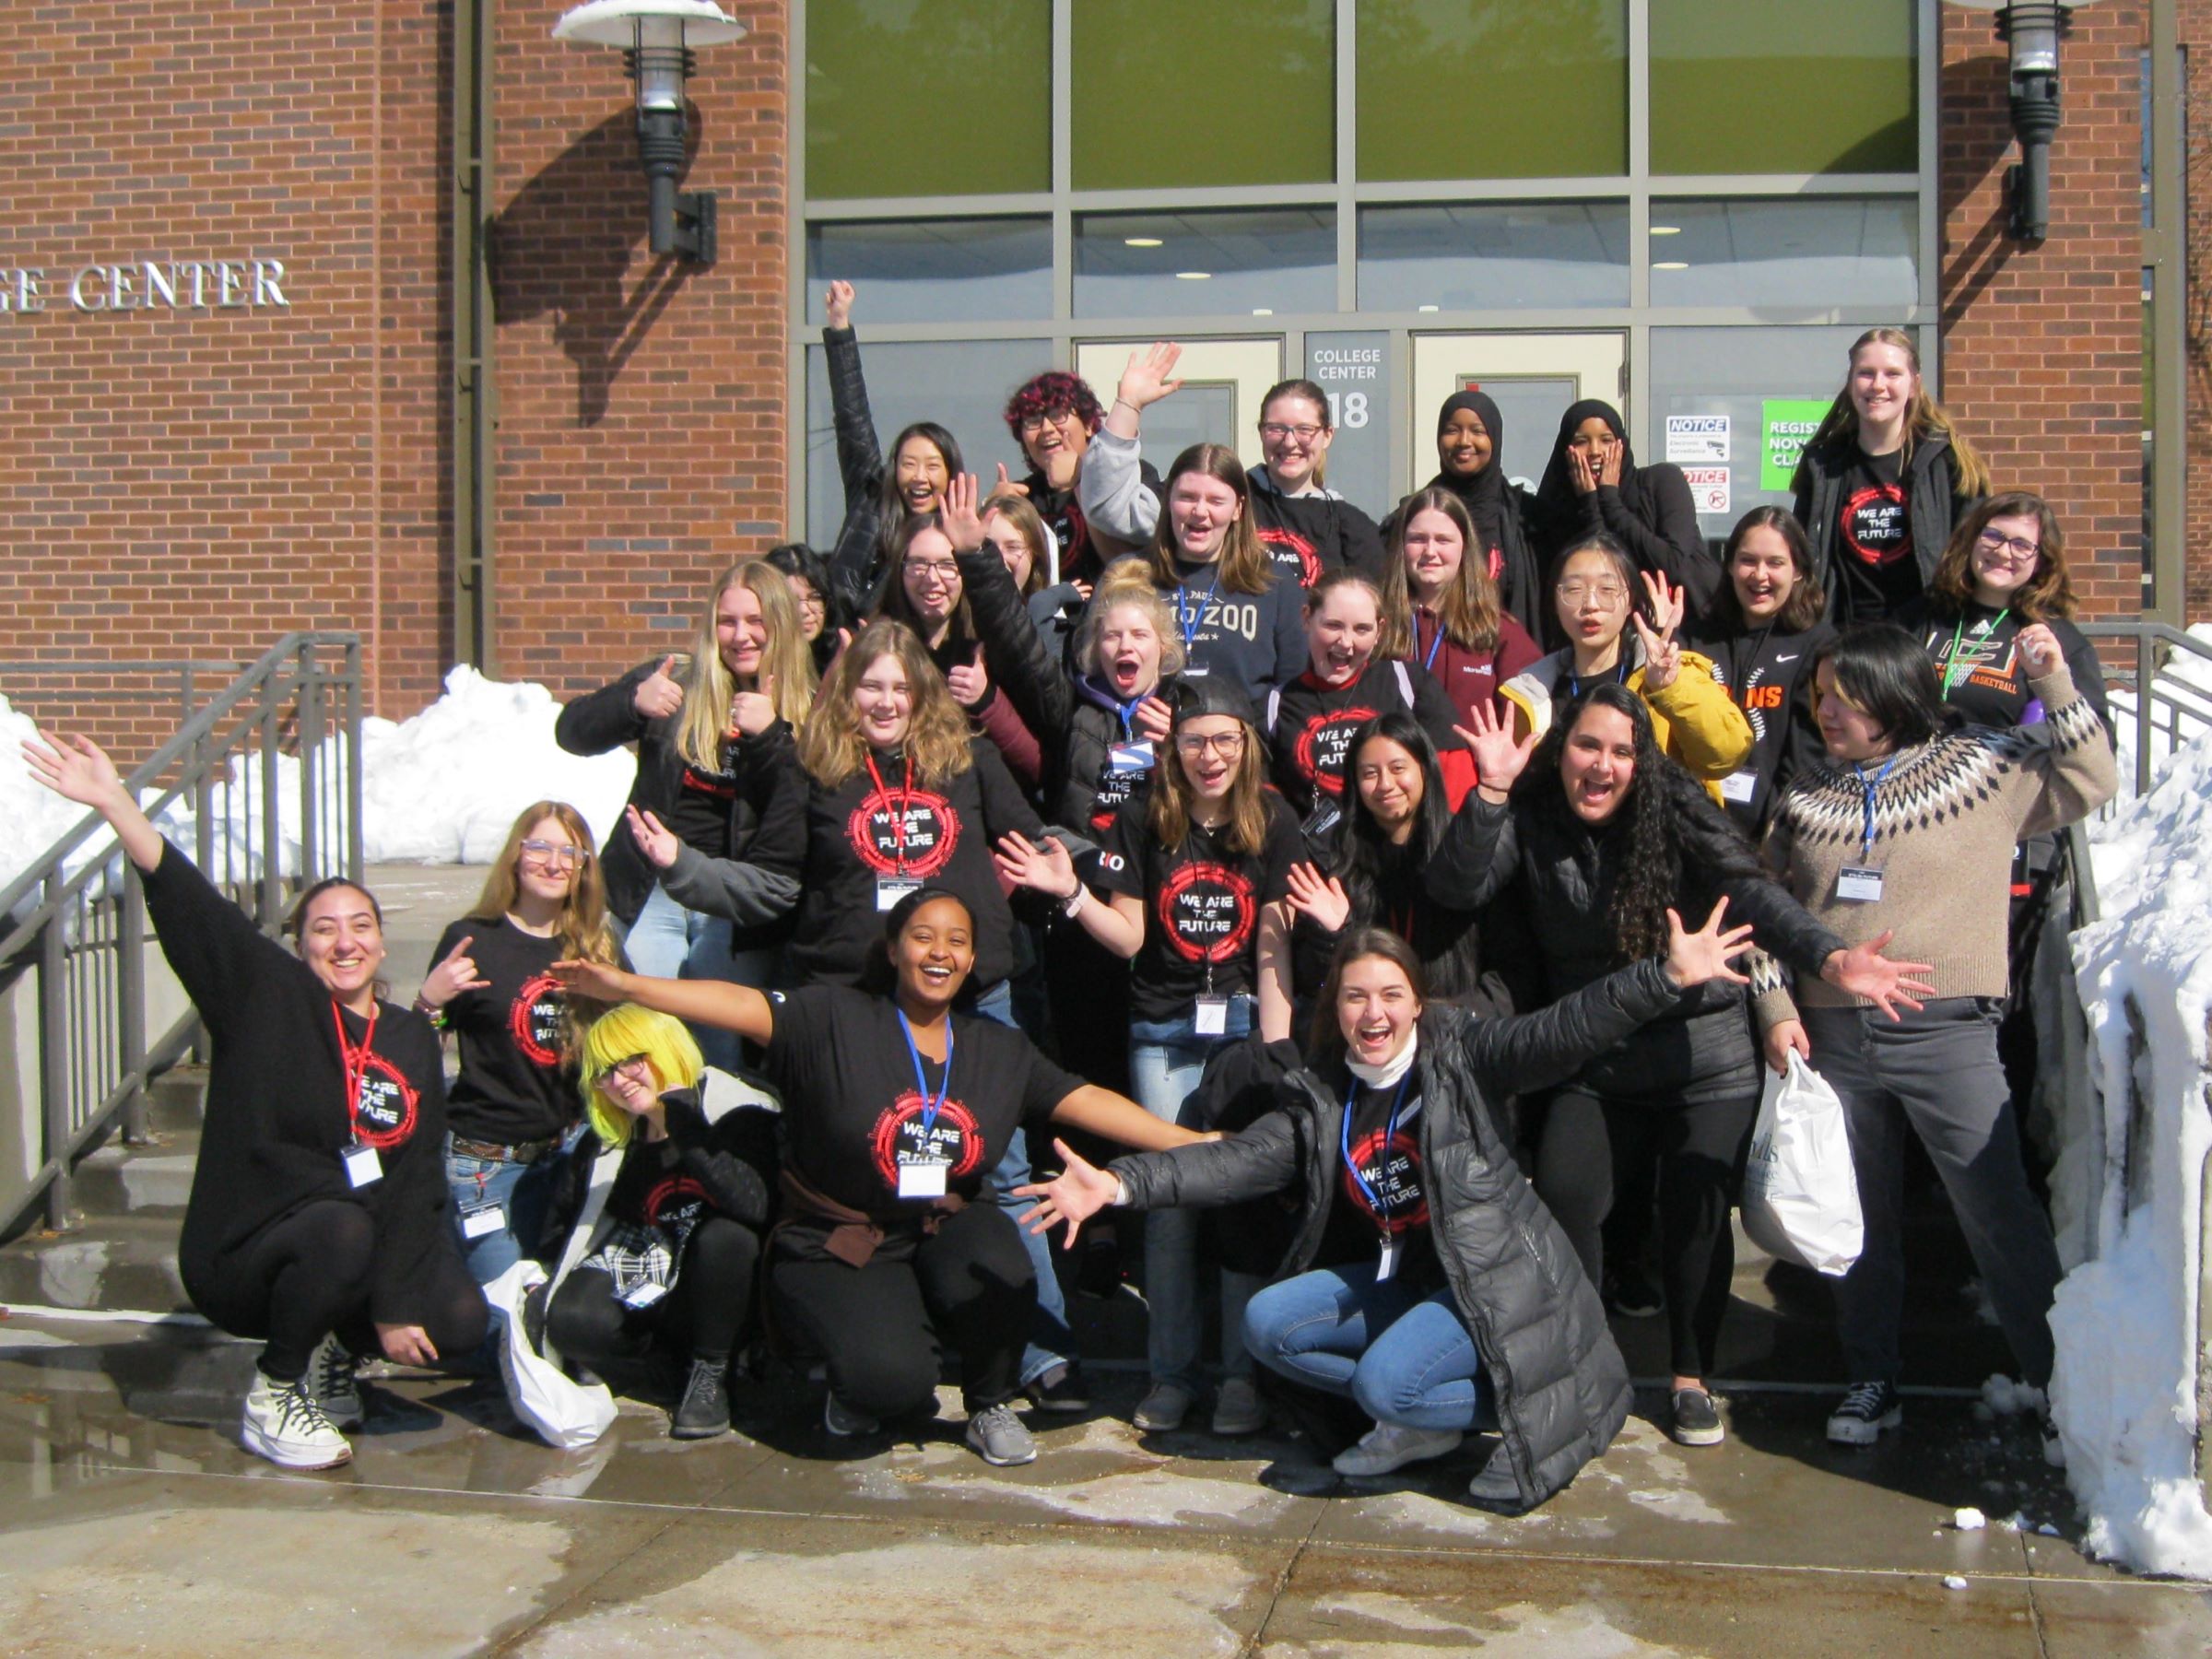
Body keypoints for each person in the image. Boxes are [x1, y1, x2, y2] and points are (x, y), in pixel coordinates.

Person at [1016, 921, 1760, 1512]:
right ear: (1334, 1008)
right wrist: (1115, 1187)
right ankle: (1419, 1419)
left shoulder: (1465, 1056)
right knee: (1269, 1322)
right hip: (1403, 1281)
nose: (1374, 1013)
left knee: (1383, 1385)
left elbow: (1561, 1031)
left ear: (1417, 1002)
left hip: (1486, 1285)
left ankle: (1438, 1411)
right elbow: (1229, 1161)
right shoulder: (1323, 1094)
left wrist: (1660, 978)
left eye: (1391, 994)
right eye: (1354, 996)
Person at [1430, 686, 1934, 1446]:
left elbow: (1755, 894)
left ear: (1644, 761)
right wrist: (1493, 791)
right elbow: (1456, 888)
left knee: (1695, 1219)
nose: (1602, 765)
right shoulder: (1531, 817)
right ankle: (1586, 1361)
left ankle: (1693, 1376)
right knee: (1568, 1194)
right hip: (1593, 1049)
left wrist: (1828, 957)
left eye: (1622, 751)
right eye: (1587, 746)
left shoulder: (1677, 816)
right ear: (1560, 749)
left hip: (1704, 1054)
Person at [551, 889, 1205, 1465]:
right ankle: (857, 1366)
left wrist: (1191, 1142)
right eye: (922, 937)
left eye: (956, 941)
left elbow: (1088, 1101)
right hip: (838, 1236)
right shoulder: (830, 1018)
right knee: (890, 1388)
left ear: (973, 961)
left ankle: (988, 1402)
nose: (939, 952)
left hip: (941, 1222)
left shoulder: (997, 1048)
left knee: (1002, 1262)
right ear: (892, 951)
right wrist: (629, 987)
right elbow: (735, 1002)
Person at [25, 731, 487, 1471]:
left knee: (458, 1320)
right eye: (324, 929)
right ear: (299, 945)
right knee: (341, 1232)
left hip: (353, 1241)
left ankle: (332, 1347)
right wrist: (118, 805)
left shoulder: (409, 1038)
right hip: (249, 1251)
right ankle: (275, 1392)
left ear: (380, 942)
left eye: (360, 927)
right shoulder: (267, 999)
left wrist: (397, 1301)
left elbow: (412, 1180)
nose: (345, 943)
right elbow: (195, 910)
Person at [1761, 625, 2114, 1446]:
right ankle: (1870, 1379)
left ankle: (2061, 1385)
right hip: (1832, 1038)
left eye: (1842, 695)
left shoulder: (1986, 768)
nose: (1826, 709)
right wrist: (1777, 1012)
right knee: (1858, 1220)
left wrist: (2054, 680)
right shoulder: (1806, 797)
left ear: (1891, 694)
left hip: (1944, 1031)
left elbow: (2093, 776)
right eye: (1819, 695)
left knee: (1997, 1210)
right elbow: (1764, 915)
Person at [995, 677, 1300, 1437]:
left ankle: (1239, 1380)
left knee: (1235, 1203)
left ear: (1246, 746)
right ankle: (1171, 1376)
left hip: (1238, 1030)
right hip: (1162, 1031)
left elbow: (1271, 948)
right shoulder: (1144, 818)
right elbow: (1131, 938)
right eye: (1196, 741)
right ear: (1174, 749)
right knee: (1165, 1206)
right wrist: (1070, 897)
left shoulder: (1274, 819)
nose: (1211, 756)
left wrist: (1278, 1045)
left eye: (1226, 740)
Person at [551, 558, 815, 1067]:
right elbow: (571, 733)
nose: (742, 635)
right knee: (644, 1039)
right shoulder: (675, 681)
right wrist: (631, 703)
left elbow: (808, 803)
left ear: (780, 624)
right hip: (652, 892)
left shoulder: (808, 704)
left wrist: (777, 735)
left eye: (756, 621)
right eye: (728, 620)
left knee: (720, 1049)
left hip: (734, 906)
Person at [535, 1005, 778, 1440]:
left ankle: (712, 1372)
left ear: (666, 1048)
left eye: (632, 1060)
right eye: (604, 1072)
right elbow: (565, 1225)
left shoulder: (740, 1108)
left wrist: (684, 1124)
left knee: (728, 1237)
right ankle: (664, 1371)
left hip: (725, 1282)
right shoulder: (610, 1139)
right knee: (568, 1317)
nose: (620, 1080)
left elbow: (752, 1206)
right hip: (648, 1264)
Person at [416, 800, 622, 1286]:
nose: (554, 864)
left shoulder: (596, 946)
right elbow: (417, 1056)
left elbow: (629, 1037)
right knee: (500, 1316)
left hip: (567, 1156)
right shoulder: (472, 939)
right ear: (516, 854)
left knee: (551, 1304)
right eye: (540, 848)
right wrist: (429, 1003)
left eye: (570, 854)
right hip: (484, 1165)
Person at [1074, 347, 1387, 588]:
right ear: (1261, 432)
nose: (1290, 442)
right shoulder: (1214, 497)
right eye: (1277, 429)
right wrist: (1129, 405)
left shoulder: (1351, 526)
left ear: (1327, 435)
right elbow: (1109, 507)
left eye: (1305, 430)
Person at [1281, 712, 1520, 1019]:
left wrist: (1451, 1019)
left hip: (1456, 1033)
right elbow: (1311, 981)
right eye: (1369, 773)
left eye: (1398, 769)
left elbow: (1510, 971)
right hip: (1371, 1033)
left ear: (1424, 769)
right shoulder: (1334, 858)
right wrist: (1332, 936)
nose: (1385, 785)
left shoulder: (1466, 847)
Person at [1500, 537, 1753, 800]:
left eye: (1607, 590)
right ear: (1555, 599)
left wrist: (1671, 689)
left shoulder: (1668, 673)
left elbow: (1728, 753)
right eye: (1574, 590)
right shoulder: (1532, 690)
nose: (1591, 605)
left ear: (1631, 599)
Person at [1790, 326, 1989, 626]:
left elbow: (1975, 556)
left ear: (1914, 385)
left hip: (1924, 639)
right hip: (1843, 640)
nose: (1878, 385)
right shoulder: (1824, 465)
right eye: (1866, 373)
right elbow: (1804, 556)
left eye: (1892, 374)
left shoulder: (1947, 460)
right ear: (1850, 383)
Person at [1264, 568, 1468, 840]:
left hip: (1405, 856)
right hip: (1321, 868)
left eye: (1362, 629)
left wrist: (1437, 848)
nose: (1346, 642)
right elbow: (1268, 802)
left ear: (1379, 631)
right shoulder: (1277, 704)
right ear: (1306, 619)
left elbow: (1454, 774)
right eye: (1333, 625)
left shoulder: (1408, 683)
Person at [1685, 507, 1836, 838]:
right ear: (1729, 565)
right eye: (1748, 560)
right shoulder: (1694, 638)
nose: (1760, 575)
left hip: (1772, 838)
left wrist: (1776, 836)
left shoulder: (1818, 646)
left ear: (1798, 571)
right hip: (1694, 831)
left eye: (1775, 563)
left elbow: (1807, 758)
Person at [874, 495, 1041, 787]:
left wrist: (987, 699)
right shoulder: (878, 646)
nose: (932, 578)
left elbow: (1036, 765)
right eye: (918, 564)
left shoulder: (989, 645)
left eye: (947, 565)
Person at [820, 280, 963, 612]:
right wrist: (840, 328)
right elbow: (851, 418)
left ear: (951, 473)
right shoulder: (869, 500)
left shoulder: (956, 535)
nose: (919, 478)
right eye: (909, 464)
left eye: (932, 466)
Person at [1135, 441, 1308, 703]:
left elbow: (1295, 693)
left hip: (1240, 740)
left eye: (1216, 500)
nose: (1200, 512)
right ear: (1168, 499)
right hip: (1148, 738)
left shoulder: (1276, 584)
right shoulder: (1131, 577)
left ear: (1238, 508)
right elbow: (1093, 676)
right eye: (1187, 497)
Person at [1374, 487, 1544, 736]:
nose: (1430, 551)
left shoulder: (1497, 629)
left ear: (1464, 547)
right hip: (1395, 772)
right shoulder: (1376, 624)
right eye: (1418, 539)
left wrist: (1505, 761)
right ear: (1401, 546)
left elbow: (1534, 715)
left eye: (1443, 540)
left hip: (1472, 774)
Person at [1390, 390, 1546, 642]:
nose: (1464, 440)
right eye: (1452, 430)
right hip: (1427, 655)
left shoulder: (1526, 518)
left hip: (1505, 659)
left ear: (1495, 438)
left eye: (1477, 431)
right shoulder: (1414, 515)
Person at [1533, 398, 1717, 610]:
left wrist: (1611, 502)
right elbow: (1607, 570)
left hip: (1690, 627)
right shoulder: (1558, 512)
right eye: (1582, 441)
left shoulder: (1663, 481)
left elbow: (1672, 564)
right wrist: (1590, 504)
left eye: (1606, 440)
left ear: (1622, 443)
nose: (1595, 451)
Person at [1003, 367, 1158, 585]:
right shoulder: (1022, 496)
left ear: (1087, 425)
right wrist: (995, 514)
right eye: (1033, 420)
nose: (1046, 428)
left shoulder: (1130, 476)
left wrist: (1080, 483)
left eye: (1057, 415)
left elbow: (1127, 570)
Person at [765, 541, 853, 678]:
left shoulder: (844, 658)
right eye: (792, 600)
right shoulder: (758, 665)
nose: (804, 610)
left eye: (815, 598)